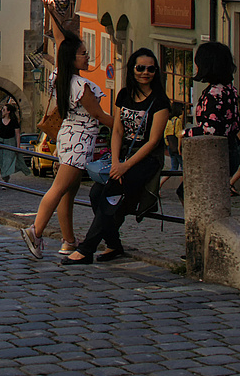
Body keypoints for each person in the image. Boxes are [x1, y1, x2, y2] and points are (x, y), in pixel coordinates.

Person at [59, 48, 171, 266]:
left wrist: (125, 166)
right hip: (121, 157)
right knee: (95, 194)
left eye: (151, 69)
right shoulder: (124, 95)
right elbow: (117, 130)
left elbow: (153, 141)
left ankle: (86, 249)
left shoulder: (160, 102)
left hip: (144, 160)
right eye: (140, 68)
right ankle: (113, 244)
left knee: (111, 192)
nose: (145, 73)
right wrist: (117, 161)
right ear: (132, 69)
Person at [21, 37, 113, 259]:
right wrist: (123, 127)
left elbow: (61, 37)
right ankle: (36, 230)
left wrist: (52, 9)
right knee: (59, 189)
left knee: (67, 193)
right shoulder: (81, 86)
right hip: (79, 142)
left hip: (67, 138)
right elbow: (99, 115)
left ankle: (69, 241)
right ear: (72, 59)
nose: (87, 56)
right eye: (83, 53)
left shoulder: (61, 78)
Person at [182, 40, 240, 194]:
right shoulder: (230, 89)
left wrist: (185, 133)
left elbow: (210, 130)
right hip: (231, 149)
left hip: (215, 154)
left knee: (190, 193)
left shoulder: (214, 94)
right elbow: (236, 122)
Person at [0, 102, 22, 182]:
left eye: (4, 110)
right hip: (0, 143)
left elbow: (17, 135)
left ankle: (5, 179)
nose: (2, 111)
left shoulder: (13, 122)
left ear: (8, 112)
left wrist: (18, 147)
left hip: (10, 143)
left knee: (7, 162)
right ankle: (5, 176)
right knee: (0, 163)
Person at [164, 101, 186, 171]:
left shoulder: (169, 120)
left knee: (174, 167)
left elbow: (165, 133)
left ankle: (161, 181)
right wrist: (180, 148)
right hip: (176, 145)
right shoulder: (178, 120)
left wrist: (168, 144)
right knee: (183, 167)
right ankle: (183, 182)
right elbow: (178, 134)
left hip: (170, 145)